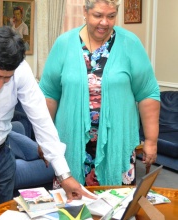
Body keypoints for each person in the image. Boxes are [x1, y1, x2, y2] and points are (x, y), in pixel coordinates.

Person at [0, 26, 94, 220]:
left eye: (6, 78)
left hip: (2, 158)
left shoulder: (20, 69)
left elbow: (41, 117)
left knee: (1, 215)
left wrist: (64, 176)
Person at [39, 0, 160, 187]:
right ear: (85, 12)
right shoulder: (64, 43)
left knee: (116, 206)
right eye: (98, 15)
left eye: (111, 16)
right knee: (71, 209)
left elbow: (147, 93)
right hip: (70, 141)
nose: (105, 22)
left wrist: (151, 141)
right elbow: (49, 94)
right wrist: (44, 139)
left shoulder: (130, 43)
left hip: (117, 142)